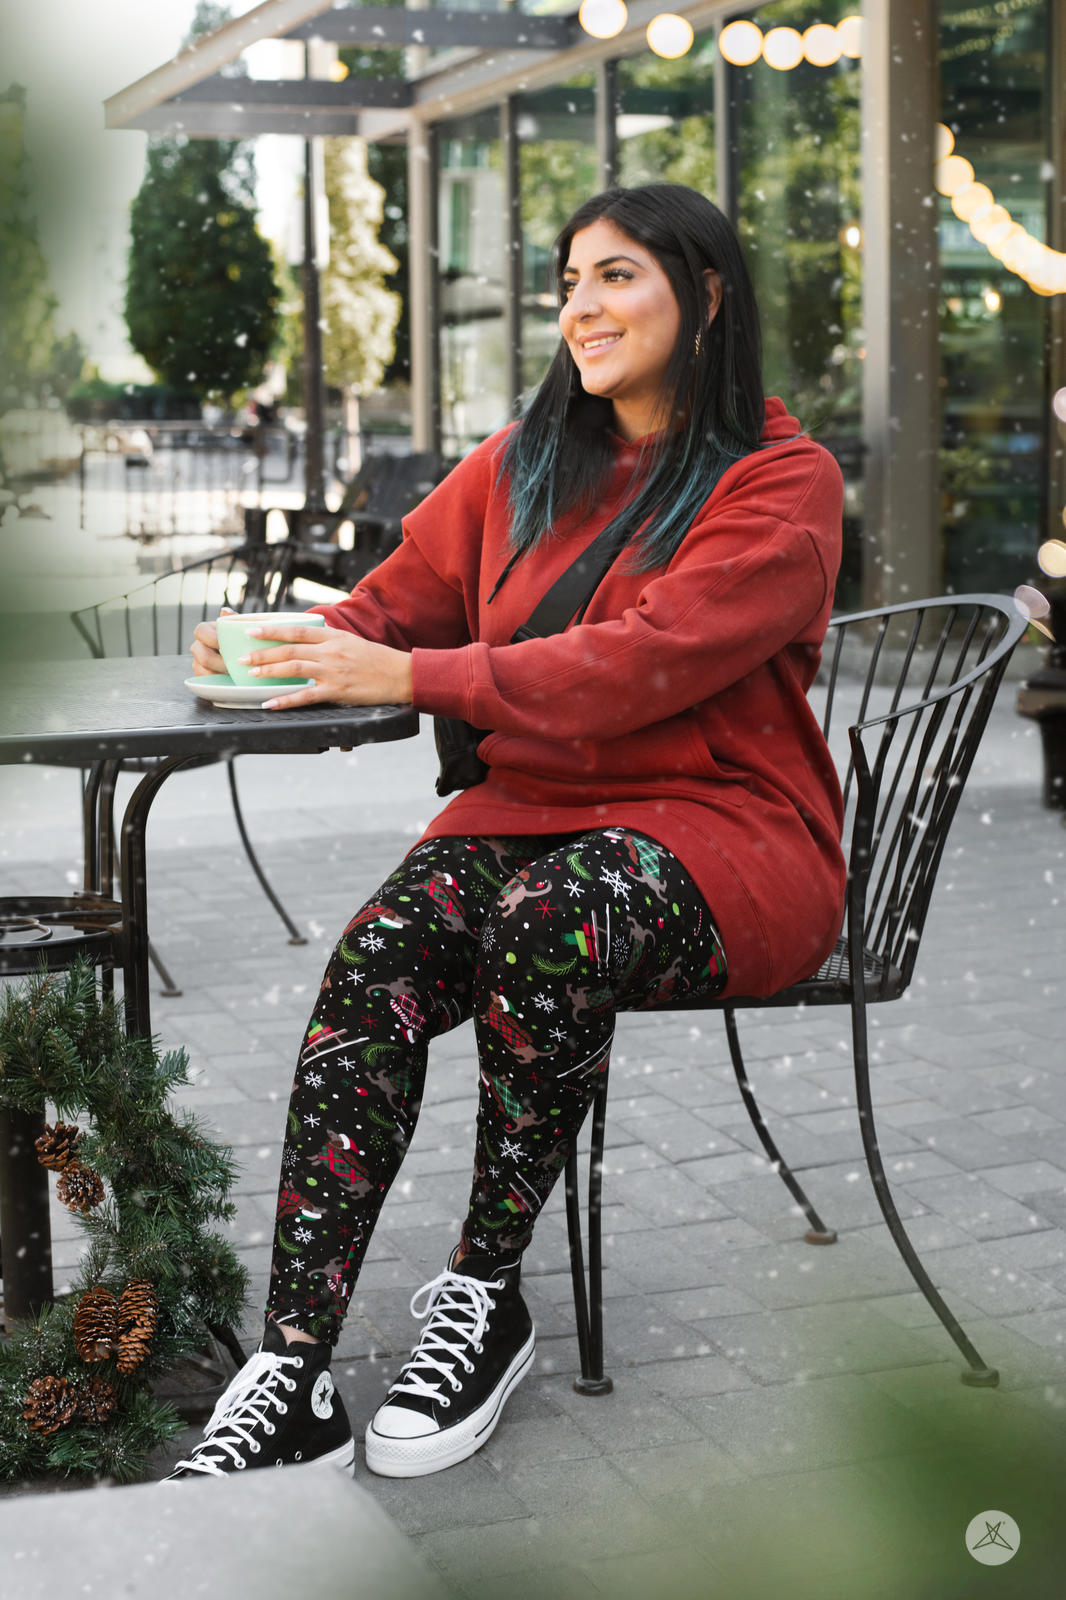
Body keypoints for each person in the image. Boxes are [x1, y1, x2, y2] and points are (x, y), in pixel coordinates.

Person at [173, 183, 845, 1481]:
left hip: (724, 832)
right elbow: (388, 611)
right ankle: (293, 1369)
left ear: (703, 294)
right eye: (566, 284)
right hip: (527, 813)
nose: (579, 309)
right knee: (377, 958)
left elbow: (637, 667)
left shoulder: (780, 481)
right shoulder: (519, 465)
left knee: (553, 925)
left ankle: (484, 1295)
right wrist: (286, 647)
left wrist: (418, 678)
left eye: (615, 277)